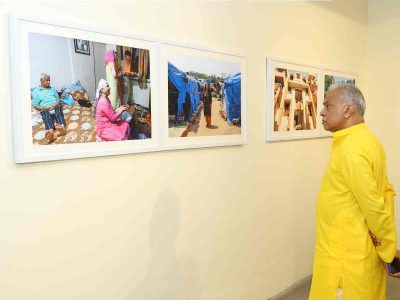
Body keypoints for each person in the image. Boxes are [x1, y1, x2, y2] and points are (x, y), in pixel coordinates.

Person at [309, 84, 398, 300]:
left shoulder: (351, 150)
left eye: (327, 106)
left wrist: (389, 252)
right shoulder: (366, 140)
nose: (321, 111)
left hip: (345, 262)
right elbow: (384, 191)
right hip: (356, 252)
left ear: (348, 110)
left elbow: (374, 207)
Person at [32, 73, 66, 142]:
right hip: (45, 109)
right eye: (47, 80)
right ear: (41, 80)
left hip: (55, 106)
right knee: (46, 117)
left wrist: (54, 105)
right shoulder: (36, 91)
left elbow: (58, 99)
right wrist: (45, 108)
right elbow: (35, 105)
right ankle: (51, 133)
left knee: (59, 112)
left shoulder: (52, 89)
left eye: (49, 80)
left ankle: (62, 129)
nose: (49, 82)